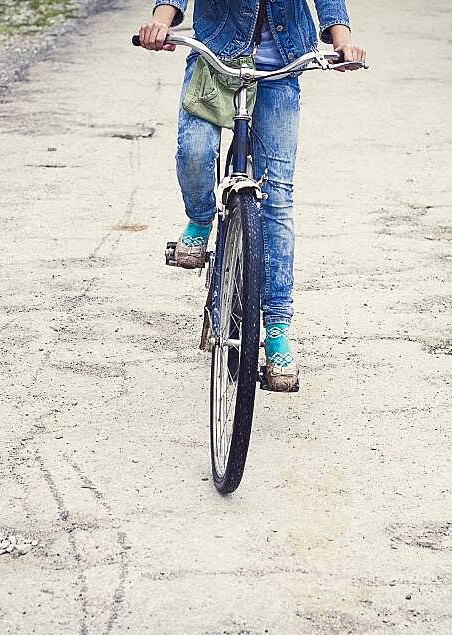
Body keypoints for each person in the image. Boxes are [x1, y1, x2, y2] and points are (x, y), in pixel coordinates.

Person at [138, 0, 366, 392]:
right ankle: (200, 219)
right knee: (195, 151)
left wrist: (341, 39)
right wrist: (161, 22)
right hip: (217, 56)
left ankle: (276, 330)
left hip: (284, 64)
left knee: (276, 200)